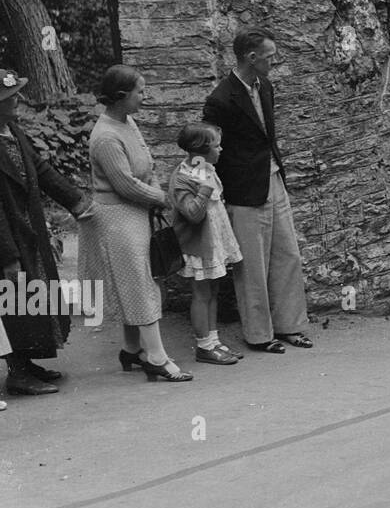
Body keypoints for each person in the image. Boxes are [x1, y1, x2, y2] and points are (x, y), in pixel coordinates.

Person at [201, 29, 312, 353]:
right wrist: (219, 192)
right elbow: (209, 148)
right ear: (252, 58)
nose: (273, 61)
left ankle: (290, 326)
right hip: (243, 189)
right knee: (251, 264)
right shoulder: (220, 99)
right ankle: (260, 335)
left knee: (287, 254)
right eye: (269, 55)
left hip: (273, 179)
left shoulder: (266, 88)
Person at [80, 65, 193, 382]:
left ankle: (132, 349)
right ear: (120, 97)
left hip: (137, 212)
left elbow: (146, 164)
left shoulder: (127, 122)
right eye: (140, 92)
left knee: (138, 279)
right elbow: (124, 184)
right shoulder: (105, 137)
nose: (145, 97)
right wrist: (163, 198)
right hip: (116, 217)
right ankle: (156, 357)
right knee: (140, 283)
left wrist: (155, 190)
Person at [0, 70, 95, 400]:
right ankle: (18, 373)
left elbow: (40, 169)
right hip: (7, 237)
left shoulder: (13, 131)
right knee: (14, 304)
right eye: (9, 98)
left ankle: (27, 364)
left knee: (32, 300)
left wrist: (75, 201)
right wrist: (7, 255)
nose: (16, 101)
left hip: (28, 230)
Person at [168, 123, 244, 365]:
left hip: (212, 243)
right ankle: (203, 345)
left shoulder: (204, 169)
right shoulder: (182, 178)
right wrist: (204, 190)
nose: (221, 149)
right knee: (201, 294)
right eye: (216, 145)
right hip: (198, 247)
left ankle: (214, 340)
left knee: (213, 291)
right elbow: (193, 214)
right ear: (200, 150)